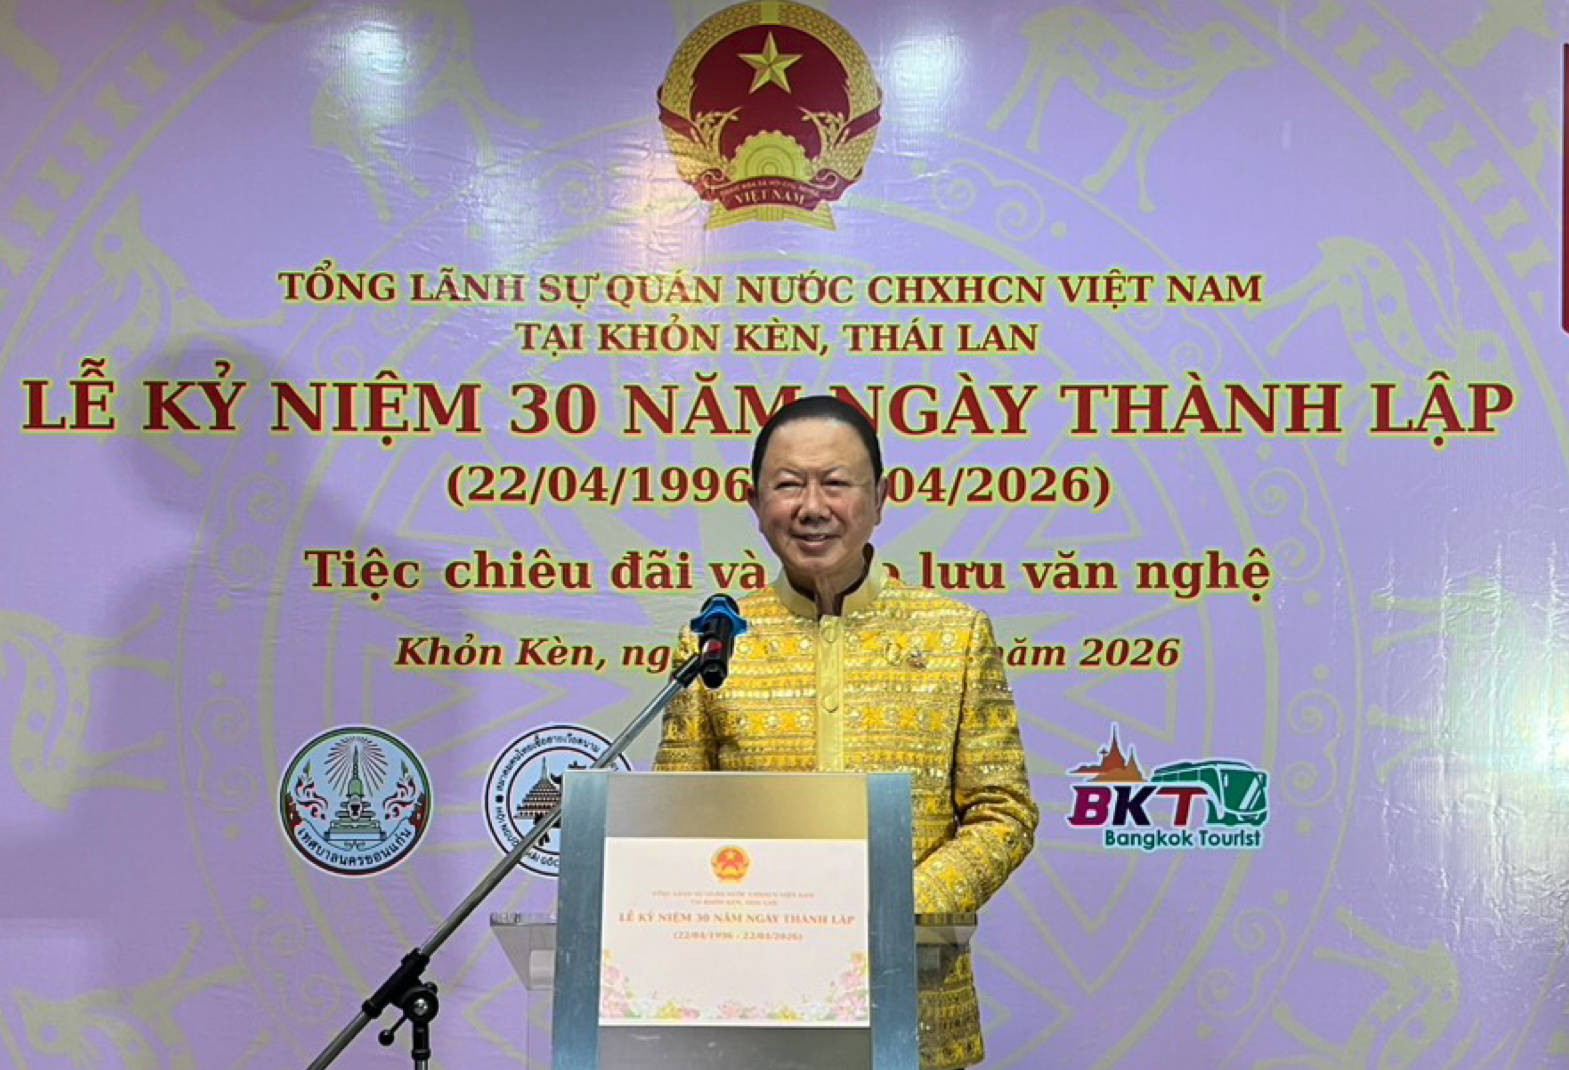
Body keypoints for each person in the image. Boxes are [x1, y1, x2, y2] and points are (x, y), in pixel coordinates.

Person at [653, 395, 1039, 1070]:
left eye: (835, 483)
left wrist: (899, 907)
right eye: (787, 485)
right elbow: (675, 817)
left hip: (914, 1007)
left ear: (880, 499)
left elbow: (1003, 811)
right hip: (752, 1005)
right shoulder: (716, 642)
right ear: (753, 502)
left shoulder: (954, 634)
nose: (811, 507)